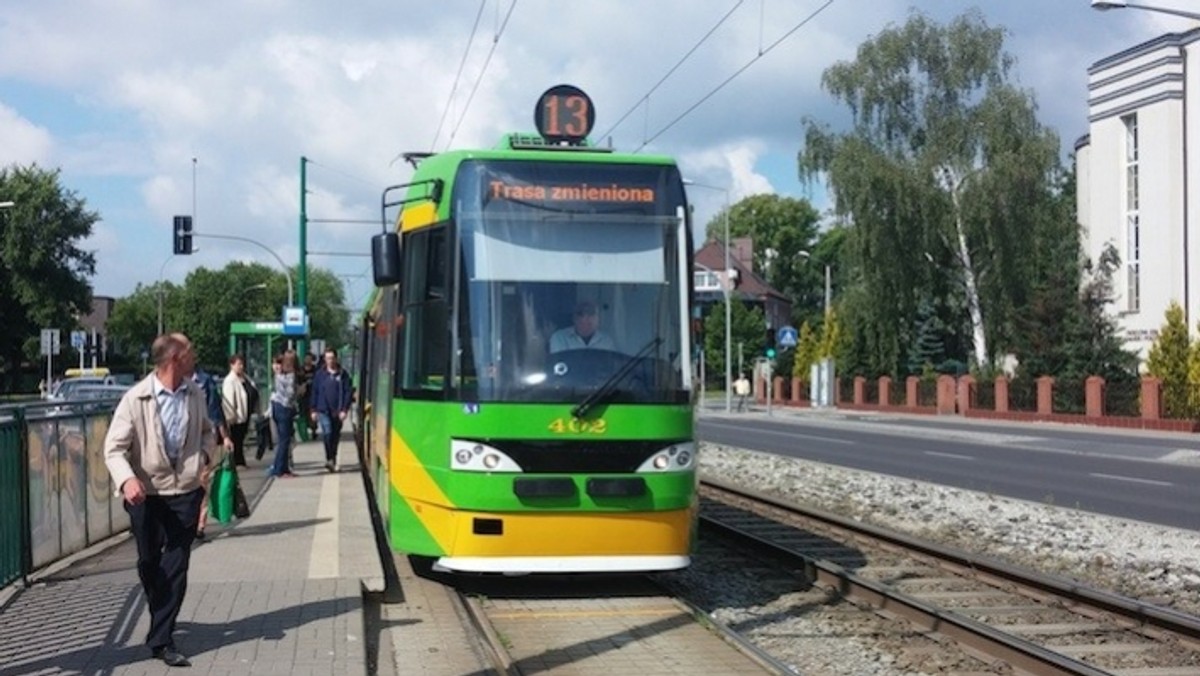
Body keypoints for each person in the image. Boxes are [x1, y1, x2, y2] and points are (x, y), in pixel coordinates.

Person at [103, 333, 218, 668]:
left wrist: (205, 458)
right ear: (174, 359)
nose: (194, 356)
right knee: (149, 562)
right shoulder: (135, 399)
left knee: (177, 564)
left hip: (184, 491)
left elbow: (208, 431)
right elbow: (113, 448)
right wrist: (126, 479)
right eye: (189, 352)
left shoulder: (195, 393)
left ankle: (162, 639)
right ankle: (161, 612)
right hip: (147, 494)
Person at [192, 364, 232, 541]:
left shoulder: (205, 381)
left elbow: (215, 411)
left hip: (204, 439)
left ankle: (199, 524)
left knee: (202, 481)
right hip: (183, 443)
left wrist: (225, 437)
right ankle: (187, 521)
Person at [310, 348, 354, 472]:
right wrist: (313, 409)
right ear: (325, 359)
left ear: (336, 358)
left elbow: (347, 392)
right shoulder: (320, 375)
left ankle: (332, 458)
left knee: (335, 436)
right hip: (323, 410)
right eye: (327, 358)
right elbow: (315, 392)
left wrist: (345, 409)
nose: (330, 361)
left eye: (332, 358)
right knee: (327, 433)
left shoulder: (343, 374)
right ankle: (329, 458)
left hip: (338, 411)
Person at [221, 353, 255, 467]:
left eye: (242, 364)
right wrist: (231, 417)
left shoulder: (245, 378)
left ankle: (240, 460)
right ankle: (237, 461)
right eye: (238, 364)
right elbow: (229, 400)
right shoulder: (230, 380)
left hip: (246, 414)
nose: (241, 366)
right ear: (232, 365)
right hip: (237, 416)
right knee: (237, 438)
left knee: (241, 437)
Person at [267, 351, 298, 478]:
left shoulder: (278, 375)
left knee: (283, 440)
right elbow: (290, 393)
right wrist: (298, 391)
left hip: (276, 407)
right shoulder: (291, 375)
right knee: (284, 441)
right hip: (285, 408)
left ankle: (283, 468)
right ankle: (279, 470)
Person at [549, 300, 617, 353]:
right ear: (573, 318)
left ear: (599, 319)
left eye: (591, 313)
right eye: (580, 314)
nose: (585, 318)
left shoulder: (606, 341)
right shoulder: (559, 338)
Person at [297, 352, 318, 439]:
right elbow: (297, 381)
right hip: (303, 396)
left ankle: (313, 430)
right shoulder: (300, 370)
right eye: (306, 359)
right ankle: (304, 430)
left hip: (313, 395)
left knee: (312, 413)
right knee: (303, 413)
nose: (308, 360)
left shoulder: (315, 370)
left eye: (309, 359)